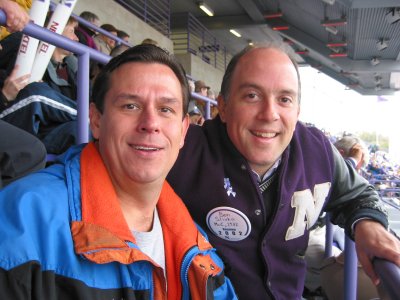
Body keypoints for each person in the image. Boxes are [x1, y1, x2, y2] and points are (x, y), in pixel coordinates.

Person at [0, 44, 237, 299]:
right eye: (130, 106)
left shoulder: (199, 248)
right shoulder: (21, 218)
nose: (150, 124)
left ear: (183, 133)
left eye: (165, 109)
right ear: (96, 120)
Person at [167, 42, 400, 299]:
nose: (269, 114)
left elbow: (357, 196)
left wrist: (369, 225)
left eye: (284, 99)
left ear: (297, 111)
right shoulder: (180, 151)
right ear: (223, 106)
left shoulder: (317, 150)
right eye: (252, 96)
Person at [0, 17, 80, 154]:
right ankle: (88, 117)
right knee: (37, 92)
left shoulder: (70, 73)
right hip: (16, 118)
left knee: (78, 130)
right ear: (56, 28)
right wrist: (4, 96)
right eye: (72, 31)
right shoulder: (23, 44)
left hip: (46, 131)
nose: (77, 39)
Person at [0, 0, 46, 188]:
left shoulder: (68, 67)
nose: (75, 39)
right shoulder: (17, 40)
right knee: (30, 151)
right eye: (71, 32)